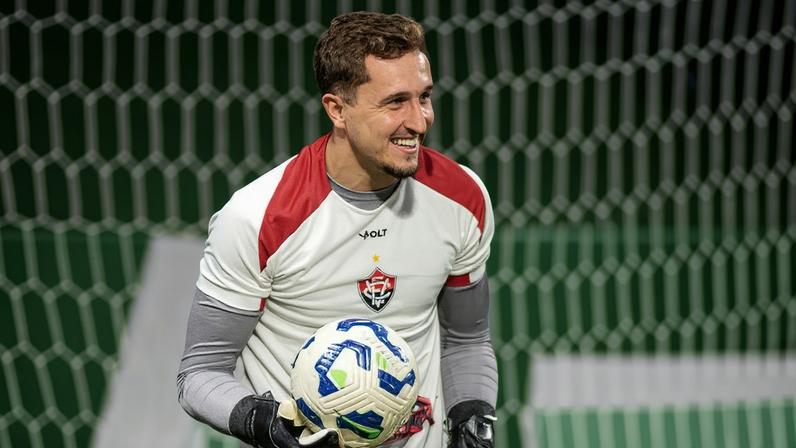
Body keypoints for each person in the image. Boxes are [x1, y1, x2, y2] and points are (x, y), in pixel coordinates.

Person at [177, 11, 498, 448]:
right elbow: (201, 373)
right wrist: (265, 424)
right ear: (337, 109)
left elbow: (467, 338)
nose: (420, 121)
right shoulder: (259, 217)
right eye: (394, 102)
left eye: (424, 97)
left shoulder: (463, 198)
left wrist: (472, 416)